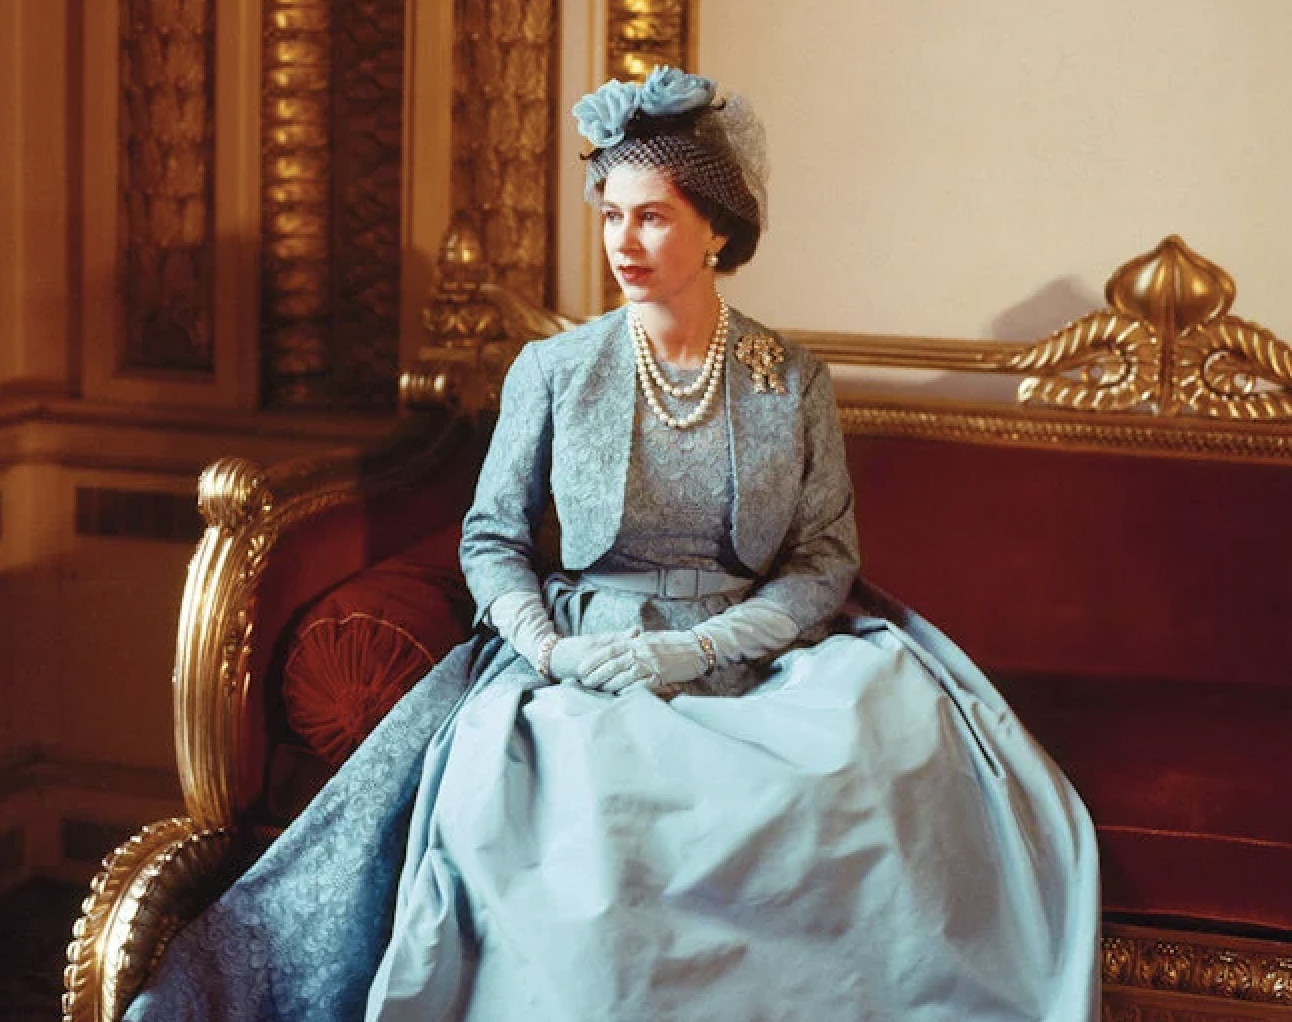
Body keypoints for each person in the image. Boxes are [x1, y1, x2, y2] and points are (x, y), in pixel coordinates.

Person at [124, 68, 1100, 1021]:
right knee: (587, 802)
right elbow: (491, 539)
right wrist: (550, 650)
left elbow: (822, 558)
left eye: (653, 217)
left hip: (756, 651)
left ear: (717, 230)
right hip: (587, 653)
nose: (622, 242)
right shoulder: (554, 369)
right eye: (611, 215)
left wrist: (704, 644)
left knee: (872, 750)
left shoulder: (789, 378)